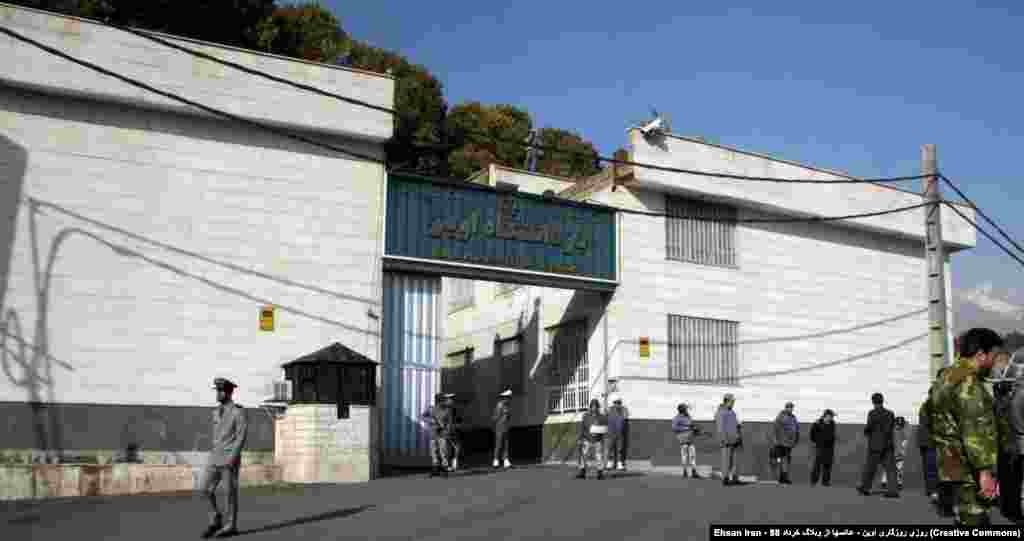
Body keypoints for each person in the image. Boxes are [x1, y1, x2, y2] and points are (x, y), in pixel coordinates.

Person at [932, 327, 1005, 526]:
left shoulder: (948, 375)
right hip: (970, 467)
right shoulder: (968, 381)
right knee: (974, 519)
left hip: (952, 462)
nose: (996, 362)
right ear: (981, 355)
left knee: (963, 518)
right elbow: (973, 429)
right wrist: (984, 472)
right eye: (995, 356)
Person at [200, 377, 248, 539]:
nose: (218, 394)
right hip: (215, 457)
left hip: (229, 459)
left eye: (221, 391)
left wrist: (232, 458)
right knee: (204, 489)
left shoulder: (238, 412)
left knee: (229, 494)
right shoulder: (215, 412)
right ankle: (216, 518)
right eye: (217, 390)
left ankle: (231, 525)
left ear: (228, 393)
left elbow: (241, 437)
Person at [857, 392, 899, 498]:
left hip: (875, 445)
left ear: (873, 402)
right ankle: (893, 491)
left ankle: (865, 488)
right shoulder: (890, 413)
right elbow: (891, 428)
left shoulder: (872, 413)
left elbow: (869, 427)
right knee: (890, 469)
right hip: (888, 445)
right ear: (882, 401)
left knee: (870, 468)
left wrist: (866, 431)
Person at [919, 369, 946, 506]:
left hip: (928, 441)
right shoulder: (929, 406)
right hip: (931, 441)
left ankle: (933, 490)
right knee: (932, 467)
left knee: (930, 467)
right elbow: (931, 424)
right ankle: (933, 491)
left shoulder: (927, 405)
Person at [1004, 349, 1024, 523]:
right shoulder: (1020, 396)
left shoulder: (1012, 397)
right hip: (1020, 444)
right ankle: (1015, 512)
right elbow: (1019, 422)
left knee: (1014, 482)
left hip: (1013, 444)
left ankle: (1012, 511)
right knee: (1017, 483)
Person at [421, 393, 453, 477]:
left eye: (444, 400)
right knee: (433, 452)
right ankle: (435, 469)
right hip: (433, 433)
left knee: (443, 452)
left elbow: (449, 423)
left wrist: (447, 432)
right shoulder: (431, 409)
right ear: (438, 401)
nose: (445, 402)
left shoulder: (447, 410)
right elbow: (423, 416)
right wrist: (430, 421)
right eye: (443, 400)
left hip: (442, 434)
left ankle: (445, 469)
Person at [576, 399, 608, 480]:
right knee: (584, 456)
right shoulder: (586, 416)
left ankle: (600, 473)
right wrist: (580, 438)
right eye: (593, 406)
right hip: (587, 439)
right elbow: (582, 428)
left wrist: (602, 434)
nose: (594, 408)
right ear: (590, 407)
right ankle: (582, 472)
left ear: (598, 407)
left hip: (598, 440)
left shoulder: (602, 417)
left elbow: (605, 428)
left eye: (596, 406)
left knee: (599, 456)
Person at [716, 393, 743, 486]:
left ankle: (735, 478)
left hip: (735, 439)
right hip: (727, 440)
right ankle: (725, 478)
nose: (733, 403)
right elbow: (720, 428)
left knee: (735, 461)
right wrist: (723, 439)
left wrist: (738, 426)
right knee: (726, 460)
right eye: (732, 401)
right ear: (727, 401)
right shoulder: (721, 412)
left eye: (733, 401)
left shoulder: (732, 412)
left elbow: (734, 425)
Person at [771, 402, 800, 485]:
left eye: (792, 408)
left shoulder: (793, 417)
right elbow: (775, 428)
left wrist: (795, 440)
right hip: (781, 442)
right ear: (786, 408)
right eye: (789, 407)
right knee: (779, 460)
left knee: (786, 461)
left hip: (789, 443)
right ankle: (779, 476)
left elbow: (796, 428)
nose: (791, 409)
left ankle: (784, 477)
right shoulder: (781, 416)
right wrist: (775, 439)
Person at [672, 403, 702, 479]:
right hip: (683, 439)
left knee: (693, 456)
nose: (687, 410)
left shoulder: (688, 417)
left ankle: (693, 471)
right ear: (682, 410)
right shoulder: (677, 418)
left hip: (690, 438)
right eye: (685, 409)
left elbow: (692, 425)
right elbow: (675, 428)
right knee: (685, 456)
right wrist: (687, 429)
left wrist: (696, 430)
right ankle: (685, 471)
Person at [810, 409, 837, 486]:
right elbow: (812, 435)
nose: (832, 418)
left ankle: (825, 482)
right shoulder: (817, 423)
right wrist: (817, 442)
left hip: (830, 448)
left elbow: (832, 434)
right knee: (817, 464)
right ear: (827, 416)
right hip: (820, 447)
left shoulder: (832, 423)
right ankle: (813, 481)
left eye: (832, 416)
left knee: (828, 465)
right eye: (831, 416)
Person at [881, 417, 908, 491]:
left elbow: (904, 441)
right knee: (891, 468)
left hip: (897, 453)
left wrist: (902, 449)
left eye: (900, 425)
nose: (899, 426)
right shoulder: (893, 431)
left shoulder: (900, 431)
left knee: (897, 468)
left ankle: (894, 482)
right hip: (893, 452)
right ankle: (886, 482)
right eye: (898, 424)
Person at [606, 396, 629, 471]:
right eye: (615, 402)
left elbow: (625, 418)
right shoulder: (610, 409)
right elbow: (605, 416)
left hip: (620, 432)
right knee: (610, 448)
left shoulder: (624, 409)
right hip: (611, 432)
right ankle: (610, 463)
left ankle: (620, 463)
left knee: (620, 448)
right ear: (613, 403)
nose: (617, 404)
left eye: (619, 402)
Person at [492, 389, 513, 469]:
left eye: (509, 397)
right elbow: (495, 417)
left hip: (506, 427)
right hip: (499, 427)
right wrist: (495, 426)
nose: (509, 399)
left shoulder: (507, 406)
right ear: (504, 398)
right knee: (499, 444)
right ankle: (496, 460)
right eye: (508, 397)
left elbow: (508, 416)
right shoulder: (499, 405)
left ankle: (506, 460)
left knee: (506, 445)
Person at [444, 394, 462, 472]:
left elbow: (458, 418)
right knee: (455, 447)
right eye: (451, 399)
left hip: (448, 430)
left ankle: (451, 464)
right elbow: (456, 419)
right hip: (451, 430)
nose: (452, 400)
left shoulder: (446, 408)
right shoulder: (451, 409)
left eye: (452, 399)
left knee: (451, 447)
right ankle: (452, 463)